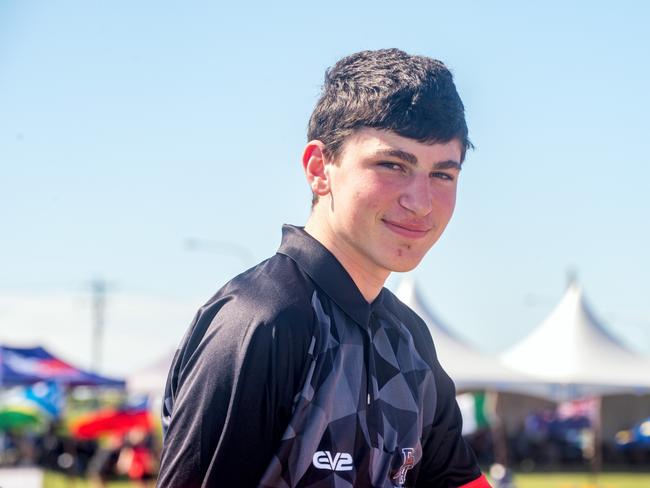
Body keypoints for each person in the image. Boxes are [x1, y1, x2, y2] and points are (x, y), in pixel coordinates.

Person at [157, 48, 491, 488]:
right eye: (392, 165)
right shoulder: (263, 321)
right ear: (319, 169)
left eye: (443, 175)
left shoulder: (409, 338)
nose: (420, 201)